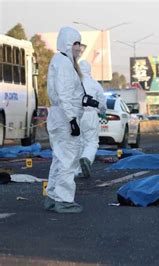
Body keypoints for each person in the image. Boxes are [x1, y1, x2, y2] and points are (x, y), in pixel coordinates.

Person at [44, 27, 85, 214]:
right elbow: (64, 93)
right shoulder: (65, 64)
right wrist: (72, 119)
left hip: (58, 116)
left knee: (59, 159)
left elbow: (66, 92)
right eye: (76, 43)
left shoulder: (59, 61)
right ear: (68, 44)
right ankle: (64, 200)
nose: (79, 48)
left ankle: (52, 197)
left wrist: (85, 100)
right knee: (68, 160)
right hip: (65, 118)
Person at [75, 60, 107, 178]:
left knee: (79, 142)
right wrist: (102, 112)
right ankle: (87, 158)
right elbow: (103, 104)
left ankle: (78, 170)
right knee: (92, 142)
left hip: (77, 115)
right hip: (90, 114)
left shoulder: (74, 83)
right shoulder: (95, 84)